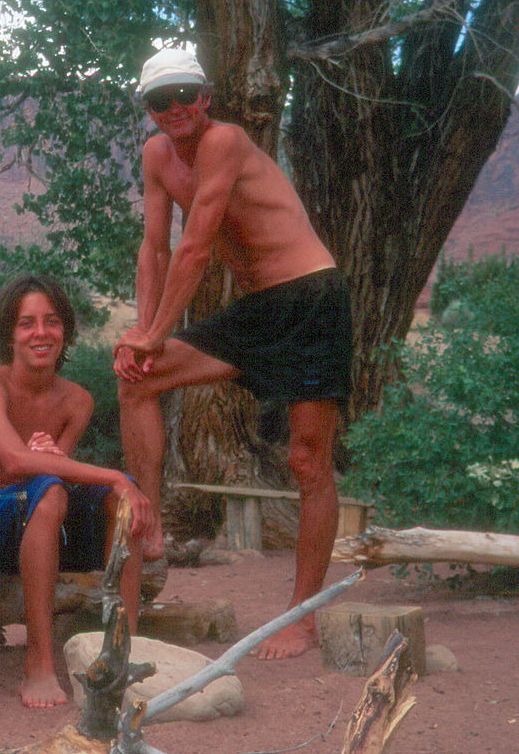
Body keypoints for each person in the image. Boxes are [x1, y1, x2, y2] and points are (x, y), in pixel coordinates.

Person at [113, 48, 352, 660]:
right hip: (258, 307)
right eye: (159, 101)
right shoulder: (156, 156)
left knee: (307, 461)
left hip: (310, 297)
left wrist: (155, 334)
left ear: (207, 95)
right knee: (138, 382)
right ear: (148, 109)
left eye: (185, 94)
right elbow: (155, 250)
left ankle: (302, 618)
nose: (175, 109)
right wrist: (145, 336)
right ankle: (154, 519)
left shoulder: (227, 142)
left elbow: (194, 248)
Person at [0, 273, 154, 708]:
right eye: (27, 323)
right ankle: (38, 665)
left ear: (66, 331)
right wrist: (112, 474)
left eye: (52, 321)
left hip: (39, 516)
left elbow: (52, 473)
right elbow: (16, 462)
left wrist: (71, 467)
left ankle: (128, 649)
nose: (41, 333)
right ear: (9, 335)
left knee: (119, 500)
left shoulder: (77, 400)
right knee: (78, 488)